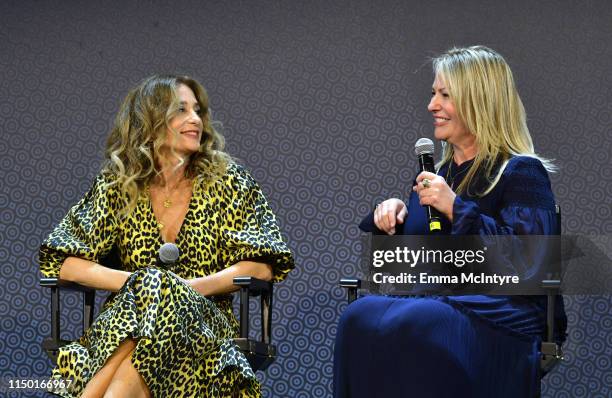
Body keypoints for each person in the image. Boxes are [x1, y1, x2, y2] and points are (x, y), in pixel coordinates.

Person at [39, 75, 294, 397]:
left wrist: (176, 291)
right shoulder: (118, 185)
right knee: (152, 316)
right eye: (181, 110)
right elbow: (64, 261)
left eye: (198, 111)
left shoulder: (230, 181)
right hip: (125, 318)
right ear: (150, 120)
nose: (195, 120)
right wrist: (144, 285)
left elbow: (261, 266)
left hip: (204, 319)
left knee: (157, 309)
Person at [333, 46, 566, 398]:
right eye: (433, 94)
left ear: (479, 101)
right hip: (435, 300)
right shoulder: (435, 174)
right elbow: (405, 270)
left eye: (445, 95)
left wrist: (457, 208)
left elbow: (528, 264)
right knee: (359, 316)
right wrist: (392, 220)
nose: (432, 106)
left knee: (420, 320)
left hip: (504, 310)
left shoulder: (521, 172)